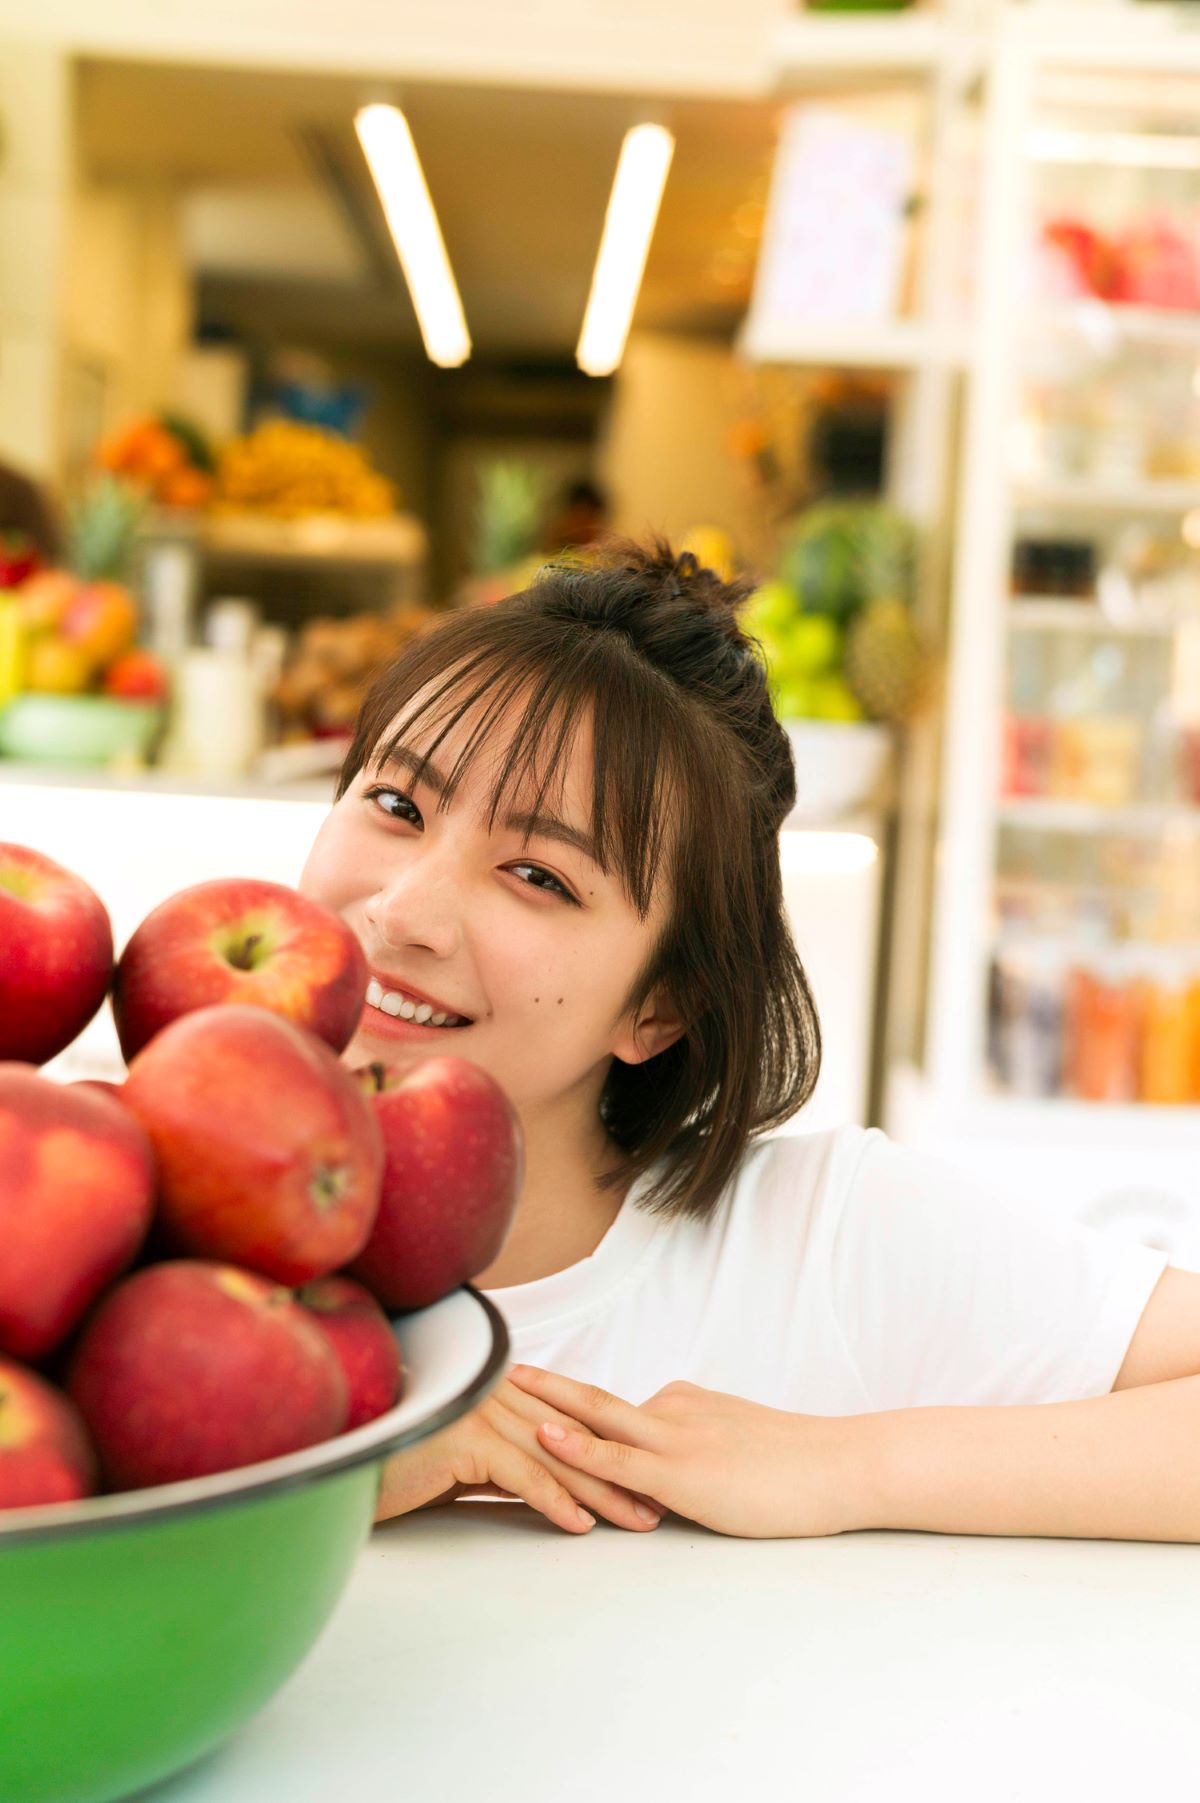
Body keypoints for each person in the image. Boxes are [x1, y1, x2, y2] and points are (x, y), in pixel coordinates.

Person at [298, 536, 1170, 1540]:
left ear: (660, 1007)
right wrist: (330, 1482)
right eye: (396, 804)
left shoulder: (816, 1243)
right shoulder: (173, 1183)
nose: (407, 910)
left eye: (538, 876)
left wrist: (845, 1466)